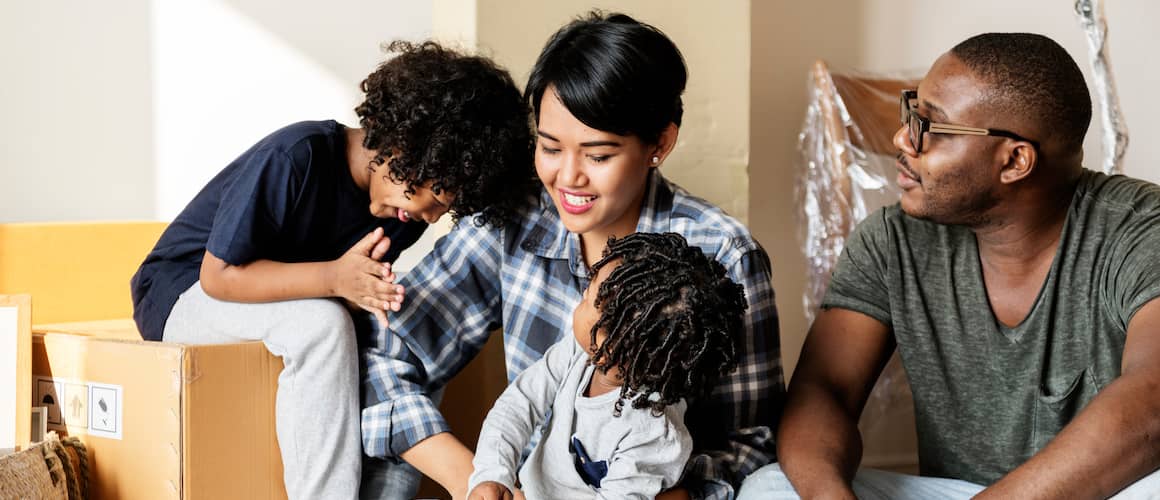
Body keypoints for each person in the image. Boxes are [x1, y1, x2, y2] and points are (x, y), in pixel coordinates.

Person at [360, 11, 785, 500]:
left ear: (659, 143)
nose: (569, 177)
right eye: (549, 147)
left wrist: (667, 490)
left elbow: (751, 440)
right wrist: (475, 479)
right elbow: (384, 353)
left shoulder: (724, 254)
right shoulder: (513, 222)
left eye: (598, 155)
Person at [742, 33, 1160, 499]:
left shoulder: (1142, 229)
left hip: (1103, 491)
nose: (903, 138)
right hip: (957, 493)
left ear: (1015, 160)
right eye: (911, 112)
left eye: (930, 126)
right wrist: (828, 495)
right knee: (771, 487)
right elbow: (826, 389)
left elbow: (1152, 400)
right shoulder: (891, 240)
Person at [129, 41, 535, 500]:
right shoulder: (296, 155)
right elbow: (218, 276)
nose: (435, 215)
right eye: (437, 194)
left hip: (276, 301)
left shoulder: (402, 216)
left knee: (409, 335)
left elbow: (345, 289)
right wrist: (335, 281)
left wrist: (365, 293)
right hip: (180, 295)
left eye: (449, 206)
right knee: (321, 324)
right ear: (410, 149)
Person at [467, 232, 747, 499]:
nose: (581, 299)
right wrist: (492, 474)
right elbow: (519, 403)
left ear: (605, 347)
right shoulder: (576, 352)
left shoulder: (652, 432)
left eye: (588, 299)